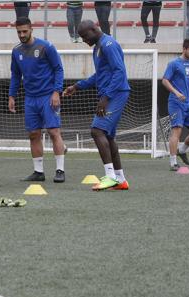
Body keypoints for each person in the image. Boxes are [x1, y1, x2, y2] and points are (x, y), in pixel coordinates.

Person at [63, 20, 130, 191]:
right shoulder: (98, 47)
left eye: (85, 36)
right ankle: (120, 179)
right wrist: (77, 86)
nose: (84, 40)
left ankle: (109, 177)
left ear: (94, 29)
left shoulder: (108, 44)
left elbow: (119, 71)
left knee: (96, 131)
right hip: (111, 94)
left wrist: (106, 98)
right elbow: (99, 76)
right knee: (108, 137)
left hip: (116, 94)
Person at [9, 17, 66, 183]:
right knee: (33, 134)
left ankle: (60, 170)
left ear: (31, 29)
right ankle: (38, 172)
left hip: (48, 96)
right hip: (30, 98)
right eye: (19, 32)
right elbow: (15, 75)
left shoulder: (45, 46)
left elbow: (58, 69)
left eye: (24, 31)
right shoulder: (16, 51)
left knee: (54, 131)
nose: (22, 34)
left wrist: (57, 92)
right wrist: (12, 95)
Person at [162, 39, 189, 171]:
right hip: (175, 102)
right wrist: (176, 92)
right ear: (184, 49)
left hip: (188, 103)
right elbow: (165, 80)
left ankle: (182, 150)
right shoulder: (174, 63)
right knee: (177, 131)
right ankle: (173, 162)